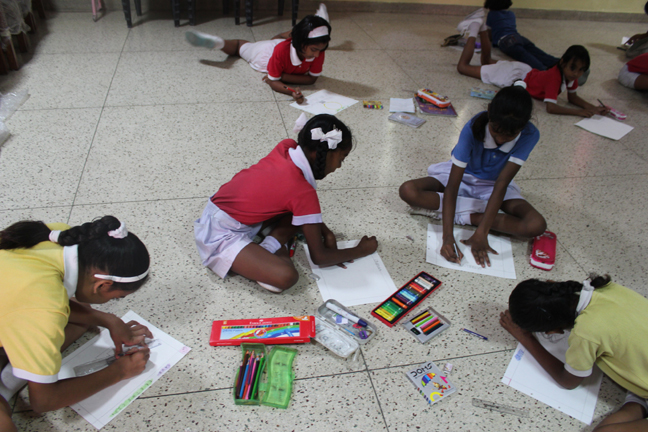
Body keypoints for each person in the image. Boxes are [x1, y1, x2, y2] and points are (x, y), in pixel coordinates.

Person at [195, 114, 378, 293]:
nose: (339, 166)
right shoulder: (303, 192)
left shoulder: (287, 147)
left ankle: (266, 248)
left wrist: (327, 233)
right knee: (286, 277)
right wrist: (361, 250)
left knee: (297, 215)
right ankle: (265, 253)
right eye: (341, 158)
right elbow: (320, 257)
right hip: (220, 234)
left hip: (225, 212)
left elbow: (303, 210)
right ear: (323, 153)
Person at [0, 216, 152, 432]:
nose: (114, 301)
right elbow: (44, 401)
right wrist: (120, 370)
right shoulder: (43, 309)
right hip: (25, 310)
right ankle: (8, 384)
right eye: (117, 297)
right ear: (102, 285)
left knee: (82, 315)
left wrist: (108, 320)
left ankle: (17, 371)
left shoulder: (62, 236)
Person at [399, 83, 546, 267]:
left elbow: (501, 184)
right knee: (408, 190)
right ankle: (476, 212)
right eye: (496, 131)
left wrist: (482, 232)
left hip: (494, 185)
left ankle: (470, 217)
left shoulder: (530, 134)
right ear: (489, 112)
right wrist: (447, 237)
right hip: (462, 178)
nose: (500, 139)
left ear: (523, 127)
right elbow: (453, 186)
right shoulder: (473, 127)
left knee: (536, 225)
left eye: (509, 135)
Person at [500, 275, 648, 431]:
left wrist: (526, 338)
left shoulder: (585, 332)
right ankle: (639, 398)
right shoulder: (605, 287)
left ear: (553, 331)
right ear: (551, 282)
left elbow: (568, 381)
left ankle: (640, 398)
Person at [456, 16, 609, 118]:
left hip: (524, 71)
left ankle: (482, 26)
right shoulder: (555, 77)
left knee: (486, 61)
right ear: (562, 62)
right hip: (514, 76)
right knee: (463, 67)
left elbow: (572, 97)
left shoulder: (569, 76)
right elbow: (551, 108)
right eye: (573, 68)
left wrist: (592, 108)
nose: (576, 73)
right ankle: (475, 27)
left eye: (581, 70)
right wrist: (579, 112)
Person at [185, 4, 330, 104]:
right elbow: (273, 81)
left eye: (320, 49)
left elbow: (311, 79)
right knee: (239, 45)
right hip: (265, 54)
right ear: (302, 43)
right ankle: (218, 43)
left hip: (281, 45)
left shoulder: (318, 51)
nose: (318, 55)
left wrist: (283, 77)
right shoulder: (280, 51)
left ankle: (315, 24)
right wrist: (289, 90)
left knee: (281, 38)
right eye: (314, 50)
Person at [484, 0, 558, 71]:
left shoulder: (491, 14)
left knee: (526, 57)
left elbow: (489, 34)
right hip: (518, 37)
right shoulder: (511, 14)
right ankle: (557, 63)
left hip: (506, 41)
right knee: (538, 53)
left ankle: (543, 70)